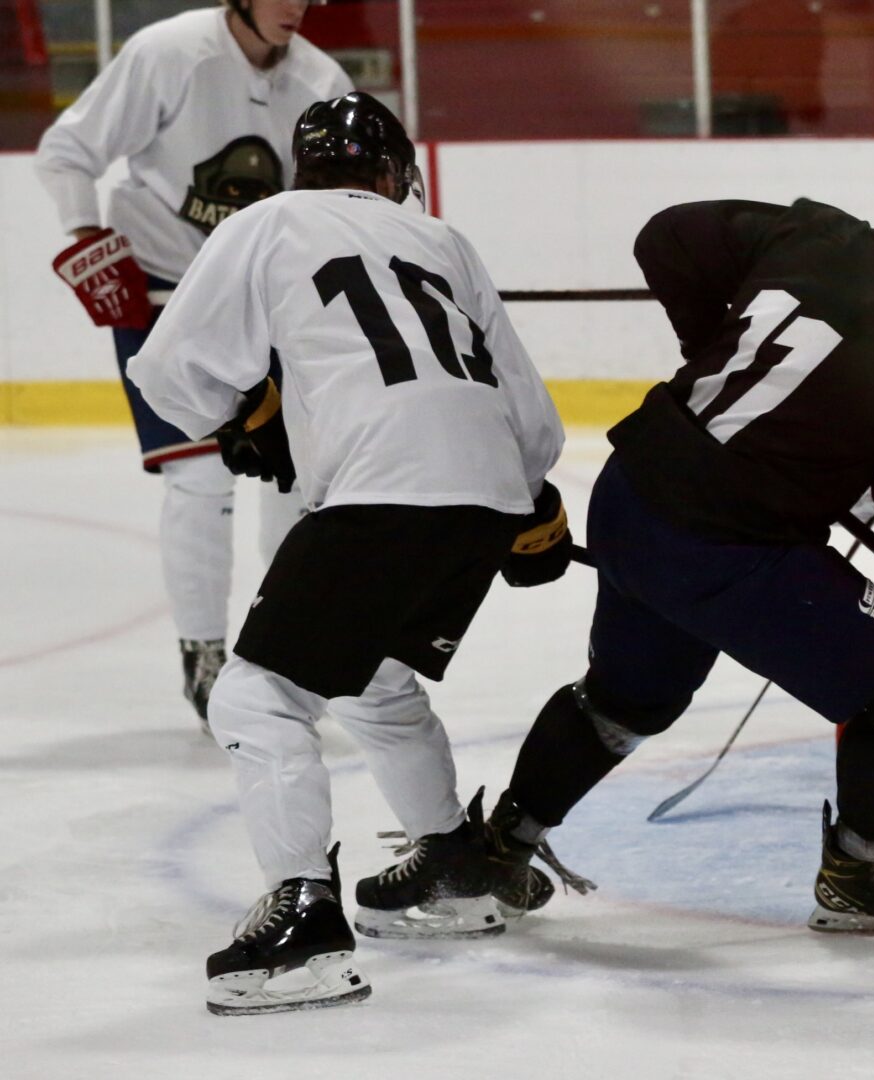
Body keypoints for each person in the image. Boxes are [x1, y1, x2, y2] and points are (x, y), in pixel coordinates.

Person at [478, 149, 874, 934]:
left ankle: (499, 844)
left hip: (632, 490)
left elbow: (667, 239)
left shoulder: (823, 235)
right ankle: (859, 874)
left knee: (632, 694)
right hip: (724, 544)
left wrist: (715, 352)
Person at [127, 92, 570, 1015]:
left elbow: (169, 372)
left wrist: (243, 418)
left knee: (257, 695)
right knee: (371, 679)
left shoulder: (270, 219)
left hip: (382, 489)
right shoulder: (443, 240)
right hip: (484, 496)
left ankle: (303, 924)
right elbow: (534, 423)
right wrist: (529, 508)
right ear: (392, 172)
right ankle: (450, 866)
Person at [34, 0, 352, 730]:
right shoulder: (168, 53)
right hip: (164, 294)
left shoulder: (320, 77)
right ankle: (204, 655)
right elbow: (68, 149)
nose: (295, 6)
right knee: (200, 474)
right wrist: (86, 234)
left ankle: (285, 648)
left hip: (268, 300)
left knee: (295, 476)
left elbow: (359, 189)